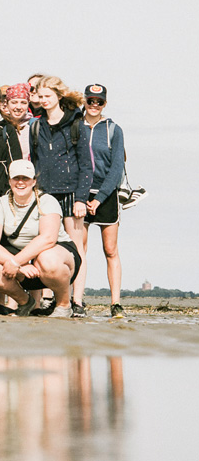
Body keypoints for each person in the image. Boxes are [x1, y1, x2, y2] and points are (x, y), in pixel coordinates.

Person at [0, 160, 79, 318]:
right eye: (16, 178)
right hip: (19, 261)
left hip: (55, 256)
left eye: (25, 178)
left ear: (34, 181)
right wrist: (18, 265)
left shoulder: (48, 201)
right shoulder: (0, 204)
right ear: (10, 181)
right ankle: (25, 301)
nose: (20, 182)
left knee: (47, 259)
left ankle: (63, 305)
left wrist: (15, 262)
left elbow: (48, 238)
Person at [29, 75, 92, 316]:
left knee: (77, 248)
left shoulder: (76, 123)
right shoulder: (36, 126)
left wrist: (80, 198)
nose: (44, 101)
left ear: (58, 96)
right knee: (46, 246)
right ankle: (48, 300)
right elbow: (35, 162)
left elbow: (86, 165)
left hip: (71, 193)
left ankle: (77, 301)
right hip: (44, 195)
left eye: (48, 96)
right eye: (40, 96)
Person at [80, 84, 127, 318]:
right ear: (85, 101)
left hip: (106, 195)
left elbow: (117, 168)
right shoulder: (75, 126)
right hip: (80, 194)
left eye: (99, 102)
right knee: (80, 249)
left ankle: (115, 303)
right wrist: (83, 196)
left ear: (104, 104)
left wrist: (99, 199)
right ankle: (77, 299)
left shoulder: (113, 129)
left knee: (110, 250)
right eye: (91, 101)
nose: (94, 105)